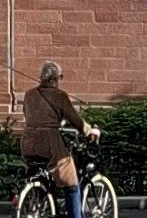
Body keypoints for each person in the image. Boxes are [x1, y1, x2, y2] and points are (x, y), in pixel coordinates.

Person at [20, 61, 99, 218]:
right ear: (56, 78)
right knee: (71, 184)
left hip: (28, 143)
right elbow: (76, 120)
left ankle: (44, 199)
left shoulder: (29, 95)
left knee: (44, 173)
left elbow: (29, 115)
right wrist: (90, 131)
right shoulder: (59, 96)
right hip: (50, 144)